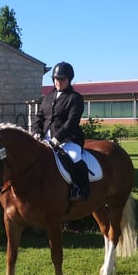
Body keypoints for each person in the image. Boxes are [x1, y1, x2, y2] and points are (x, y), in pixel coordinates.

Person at [32, 61, 90, 201]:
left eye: (62, 79)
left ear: (69, 79)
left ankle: (81, 189)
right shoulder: (48, 97)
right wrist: (37, 131)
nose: (58, 82)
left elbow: (72, 120)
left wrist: (58, 137)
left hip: (68, 139)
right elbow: (39, 116)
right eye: (56, 79)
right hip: (45, 139)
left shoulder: (75, 98)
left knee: (74, 157)